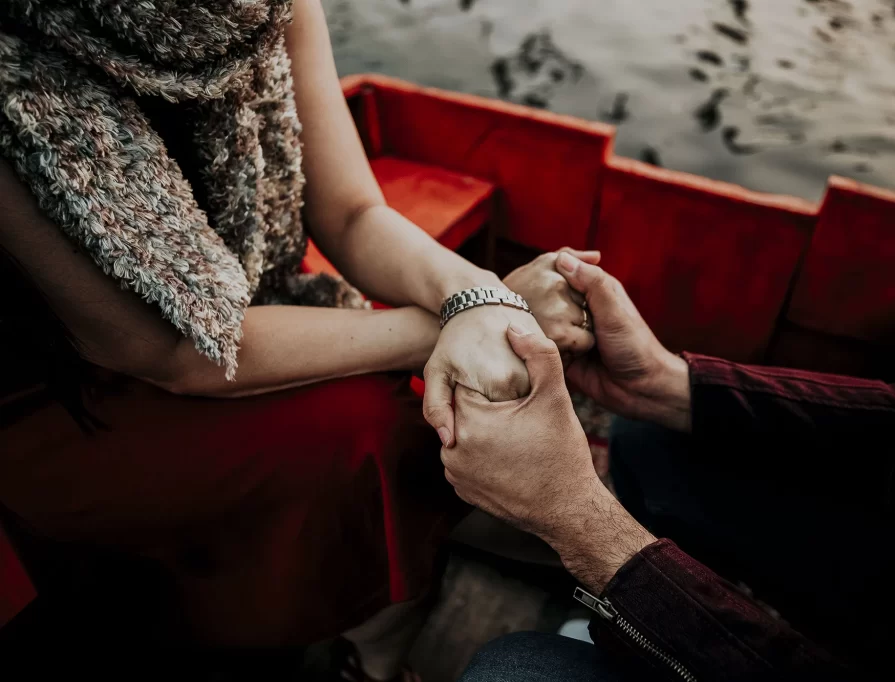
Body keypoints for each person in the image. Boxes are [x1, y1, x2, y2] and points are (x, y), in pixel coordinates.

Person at [0, 1, 591, 679]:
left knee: (438, 401)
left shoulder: (259, 7)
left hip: (250, 293)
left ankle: (378, 637)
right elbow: (161, 350)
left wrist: (478, 297)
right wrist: (459, 321)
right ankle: (367, 646)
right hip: (72, 384)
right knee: (381, 428)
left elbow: (351, 211)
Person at [448, 148, 895, 681]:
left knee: (515, 670)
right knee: (652, 434)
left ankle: (640, 624)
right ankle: (650, 618)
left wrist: (582, 524)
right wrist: (670, 387)